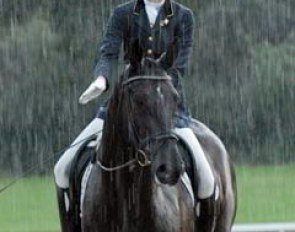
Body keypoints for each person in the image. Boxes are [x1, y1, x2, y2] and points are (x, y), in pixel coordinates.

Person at [54, 0, 218, 231]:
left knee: (207, 180)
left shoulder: (183, 17)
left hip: (166, 110)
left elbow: (178, 68)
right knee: (62, 169)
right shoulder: (123, 13)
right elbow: (108, 53)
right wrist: (102, 80)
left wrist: (157, 92)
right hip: (125, 107)